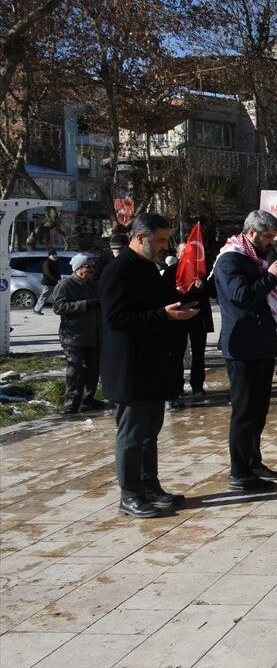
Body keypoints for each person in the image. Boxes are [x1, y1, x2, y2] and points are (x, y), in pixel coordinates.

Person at [99, 213, 200, 517]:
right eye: (159, 240)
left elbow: (153, 305)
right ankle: (129, 495)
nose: (163, 246)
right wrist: (163, 316)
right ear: (140, 237)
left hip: (152, 366)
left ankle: (149, 486)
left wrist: (180, 298)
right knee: (130, 436)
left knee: (150, 432)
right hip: (130, 368)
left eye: (166, 240)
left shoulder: (146, 267)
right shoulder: (118, 270)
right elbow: (116, 319)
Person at [214, 210, 277, 493]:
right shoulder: (230, 259)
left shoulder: (256, 260)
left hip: (262, 342)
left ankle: (253, 461)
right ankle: (239, 471)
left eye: (273, 237)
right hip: (242, 346)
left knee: (259, 409)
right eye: (268, 236)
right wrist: (271, 278)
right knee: (244, 410)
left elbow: (262, 293)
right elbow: (242, 296)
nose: (271, 242)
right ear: (251, 233)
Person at [162, 242, 214, 410]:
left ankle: (197, 385)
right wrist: (175, 292)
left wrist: (203, 286)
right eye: (183, 252)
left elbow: (213, 292)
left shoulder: (201, 271)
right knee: (177, 354)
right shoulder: (171, 271)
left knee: (199, 352)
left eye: (190, 252)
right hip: (178, 319)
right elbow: (161, 295)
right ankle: (176, 389)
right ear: (177, 255)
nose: (187, 255)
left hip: (198, 317)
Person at [52, 253, 103, 414]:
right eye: (88, 267)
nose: (92, 270)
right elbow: (59, 307)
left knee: (93, 369)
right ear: (78, 269)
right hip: (73, 336)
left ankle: (88, 400)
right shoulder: (66, 285)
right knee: (75, 369)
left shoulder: (92, 285)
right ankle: (72, 402)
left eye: (93, 267)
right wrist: (85, 305)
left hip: (93, 335)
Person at [34, 250, 60, 314]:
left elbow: (57, 272)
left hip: (54, 282)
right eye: (53, 255)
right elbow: (48, 273)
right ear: (49, 256)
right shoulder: (47, 263)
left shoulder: (54, 262)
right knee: (44, 296)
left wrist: (58, 278)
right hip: (48, 283)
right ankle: (37, 309)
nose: (55, 256)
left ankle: (57, 309)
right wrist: (56, 279)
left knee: (56, 296)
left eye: (55, 255)